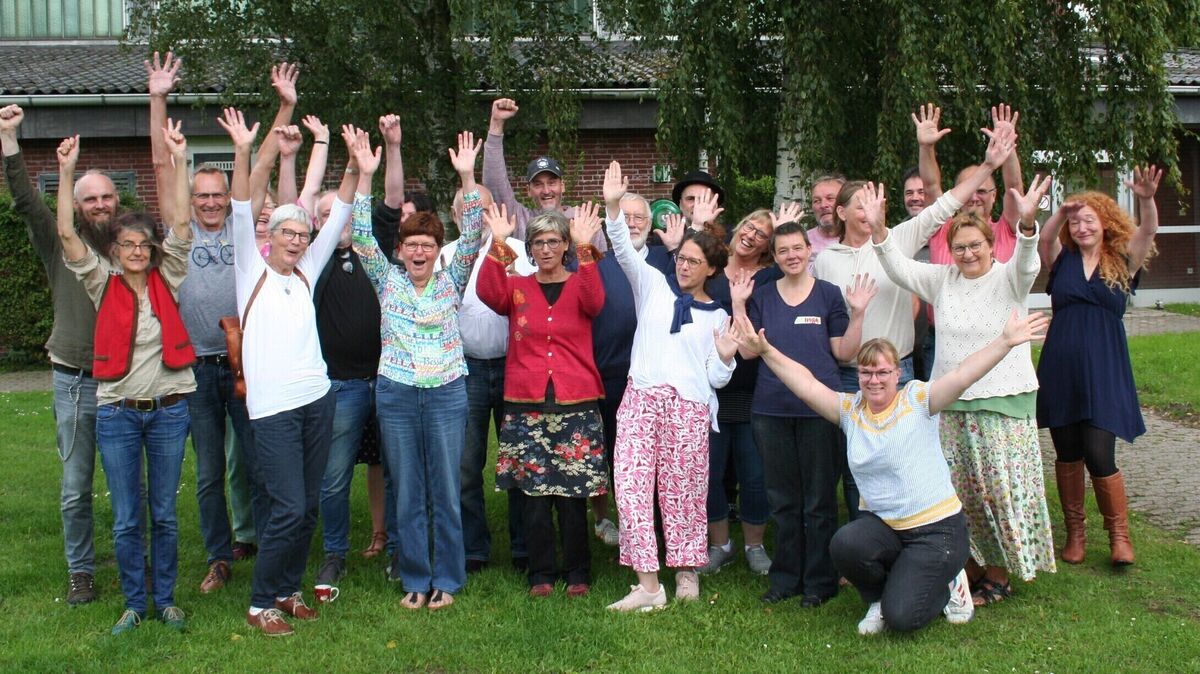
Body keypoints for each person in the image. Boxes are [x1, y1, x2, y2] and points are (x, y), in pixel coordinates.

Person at [731, 310, 1050, 634]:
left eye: (883, 372)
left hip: (937, 532)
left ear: (897, 373)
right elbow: (806, 384)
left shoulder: (919, 400)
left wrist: (1005, 341)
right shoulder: (850, 410)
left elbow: (964, 374)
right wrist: (766, 351)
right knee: (845, 544)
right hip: (887, 528)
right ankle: (877, 598)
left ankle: (951, 584)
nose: (874, 379)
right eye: (867, 372)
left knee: (902, 617)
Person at [813, 124, 1016, 522]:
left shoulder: (899, 238)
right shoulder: (825, 260)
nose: (873, 208)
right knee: (860, 465)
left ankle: (909, 533)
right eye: (862, 203)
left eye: (877, 201)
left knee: (907, 457)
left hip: (900, 370)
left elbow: (945, 203)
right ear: (841, 212)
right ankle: (866, 542)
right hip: (850, 375)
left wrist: (989, 164)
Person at [872, 176, 1057, 605]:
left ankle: (999, 571)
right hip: (950, 403)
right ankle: (969, 563)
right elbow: (898, 267)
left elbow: (1028, 263)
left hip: (1003, 402)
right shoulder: (943, 280)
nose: (968, 253)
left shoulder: (1010, 278)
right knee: (959, 490)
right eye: (959, 247)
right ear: (950, 250)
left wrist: (1027, 226)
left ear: (991, 245)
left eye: (976, 245)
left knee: (998, 490)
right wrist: (881, 231)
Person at [222, 107, 356, 637]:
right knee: (287, 507)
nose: (298, 240)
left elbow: (341, 209)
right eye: (289, 233)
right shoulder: (249, 268)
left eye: (304, 234)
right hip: (272, 409)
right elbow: (238, 207)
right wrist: (243, 148)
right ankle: (260, 602)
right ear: (270, 238)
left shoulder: (308, 270)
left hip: (316, 400)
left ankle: (288, 589)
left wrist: (356, 166)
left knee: (307, 511)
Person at [57, 123, 195, 634]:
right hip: (117, 412)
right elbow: (68, 234)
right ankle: (134, 604)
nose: (137, 251)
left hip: (167, 410)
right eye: (128, 244)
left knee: (163, 512)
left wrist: (179, 161)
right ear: (114, 250)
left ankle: (166, 600)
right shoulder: (100, 283)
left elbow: (181, 222)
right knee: (127, 517)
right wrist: (67, 171)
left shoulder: (169, 277)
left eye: (144, 244)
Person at [146, 53, 267, 593]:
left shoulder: (243, 233)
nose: (213, 203)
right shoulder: (178, 234)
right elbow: (159, 166)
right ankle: (219, 557)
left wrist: (255, 140)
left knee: (259, 462)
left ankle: (265, 546)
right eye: (203, 196)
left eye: (219, 195)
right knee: (209, 474)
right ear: (191, 201)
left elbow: (255, 179)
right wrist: (158, 98)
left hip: (242, 364)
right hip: (193, 368)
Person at [352, 129, 484, 611]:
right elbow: (363, 235)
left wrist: (468, 175)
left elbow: (473, 234)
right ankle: (414, 577)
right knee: (407, 489)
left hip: (448, 393)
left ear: (437, 249)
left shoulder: (452, 279)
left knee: (446, 490)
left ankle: (447, 579)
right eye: (412, 245)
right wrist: (365, 175)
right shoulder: (386, 281)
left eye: (428, 244)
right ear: (402, 249)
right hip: (398, 394)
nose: (420, 252)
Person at [600, 161, 738, 611]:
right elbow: (621, 246)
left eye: (694, 262)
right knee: (632, 488)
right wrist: (613, 204)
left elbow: (716, 380)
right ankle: (648, 586)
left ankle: (686, 571)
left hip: (689, 409)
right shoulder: (653, 287)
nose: (683, 266)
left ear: (711, 271)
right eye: (681, 259)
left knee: (684, 494)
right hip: (640, 400)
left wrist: (725, 355)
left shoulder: (718, 317)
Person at [1, 103, 114, 605]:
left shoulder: (133, 243)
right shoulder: (56, 242)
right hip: (74, 379)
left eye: (107, 196)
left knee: (134, 484)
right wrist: (9, 140)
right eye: (89, 198)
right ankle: (80, 572)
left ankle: (137, 563)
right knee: (75, 487)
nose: (100, 204)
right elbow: (27, 201)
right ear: (75, 204)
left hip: (126, 382)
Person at [733, 221, 875, 606]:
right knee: (783, 499)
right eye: (783, 251)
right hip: (771, 410)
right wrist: (739, 303)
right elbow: (746, 351)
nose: (792, 256)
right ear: (775, 257)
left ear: (808, 251)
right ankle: (785, 580)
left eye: (797, 248)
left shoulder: (828, 295)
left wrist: (858, 313)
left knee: (819, 501)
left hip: (820, 410)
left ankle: (819, 582)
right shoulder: (763, 295)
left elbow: (844, 353)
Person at [477, 202, 608, 597]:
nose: (546, 249)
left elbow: (594, 301)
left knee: (572, 495)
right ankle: (541, 574)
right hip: (526, 403)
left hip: (576, 403)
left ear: (565, 246)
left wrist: (586, 248)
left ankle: (578, 573)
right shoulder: (518, 288)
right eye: (538, 242)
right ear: (529, 249)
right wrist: (498, 241)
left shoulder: (580, 279)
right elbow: (487, 291)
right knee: (532, 496)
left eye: (554, 241)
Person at [1037, 166, 1162, 568]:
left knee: (1098, 450)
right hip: (1062, 367)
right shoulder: (1062, 260)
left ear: (1105, 223)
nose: (1082, 226)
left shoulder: (1123, 259)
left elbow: (1147, 232)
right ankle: (1075, 533)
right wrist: (1060, 212)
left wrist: (1145, 198)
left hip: (1105, 369)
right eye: (1076, 221)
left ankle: (1119, 536)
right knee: (1067, 451)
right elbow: (1044, 238)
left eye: (1089, 219)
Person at [439, 186, 537, 575]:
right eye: (467, 208)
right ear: (454, 212)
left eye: (481, 207)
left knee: (517, 462)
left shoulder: (517, 248)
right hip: (467, 370)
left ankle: (523, 547)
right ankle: (474, 548)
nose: (474, 215)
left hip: (514, 366)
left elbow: (529, 301)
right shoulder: (445, 255)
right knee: (466, 464)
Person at [697, 207, 795, 577]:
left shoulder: (770, 278)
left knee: (755, 474)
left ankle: (755, 545)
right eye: (750, 226)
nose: (752, 235)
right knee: (711, 472)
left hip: (755, 388)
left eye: (762, 234)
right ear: (740, 226)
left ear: (767, 247)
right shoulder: (713, 264)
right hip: (710, 389)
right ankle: (720, 544)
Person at [590, 192, 674, 549]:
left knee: (656, 457)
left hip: (657, 378)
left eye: (641, 217)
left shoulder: (667, 260)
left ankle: (655, 524)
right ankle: (613, 521)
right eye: (626, 217)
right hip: (608, 374)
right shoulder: (598, 263)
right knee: (610, 454)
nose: (634, 223)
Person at [483, 98, 605, 251]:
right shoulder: (519, 220)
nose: (546, 190)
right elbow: (495, 185)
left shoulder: (583, 221)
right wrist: (496, 124)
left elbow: (600, 271)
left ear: (563, 186)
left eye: (552, 182)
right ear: (528, 190)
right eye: (538, 184)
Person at [806, 174, 845, 263]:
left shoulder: (859, 239)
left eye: (830, 198)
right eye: (817, 201)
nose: (823, 205)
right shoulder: (803, 241)